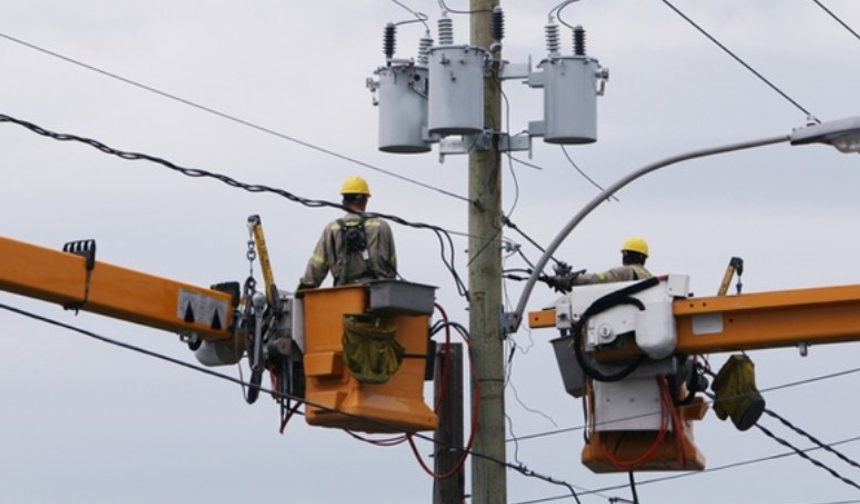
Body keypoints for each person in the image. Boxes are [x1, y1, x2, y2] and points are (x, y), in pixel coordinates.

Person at [298, 176, 397, 289]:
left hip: (344, 296)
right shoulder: (381, 226)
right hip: (379, 296)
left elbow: (315, 269)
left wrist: (301, 292)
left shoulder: (332, 229)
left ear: (343, 201)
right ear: (365, 200)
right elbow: (392, 268)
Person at [573, 236, 653, 285]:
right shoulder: (649, 277)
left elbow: (599, 279)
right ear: (644, 258)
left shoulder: (626, 272)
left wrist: (572, 280)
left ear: (625, 255)